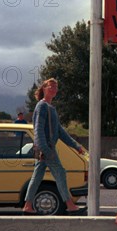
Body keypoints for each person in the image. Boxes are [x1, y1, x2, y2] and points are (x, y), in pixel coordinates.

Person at [22, 78, 86, 215]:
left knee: (37, 176)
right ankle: (69, 205)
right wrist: (45, 149)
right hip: (46, 148)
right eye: (51, 86)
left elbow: (60, 132)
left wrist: (76, 146)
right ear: (44, 88)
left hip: (44, 148)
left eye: (56, 87)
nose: (54, 89)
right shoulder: (42, 106)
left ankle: (27, 205)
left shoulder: (50, 108)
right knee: (60, 173)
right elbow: (38, 129)